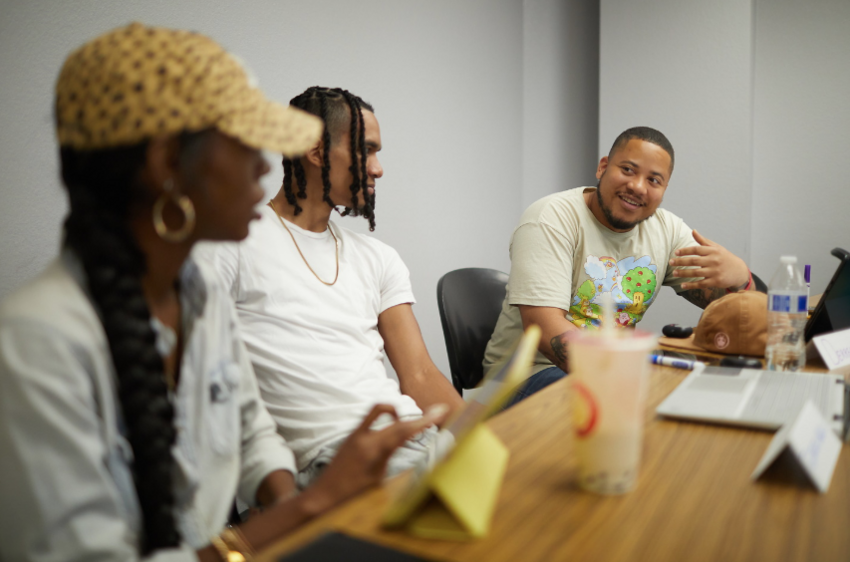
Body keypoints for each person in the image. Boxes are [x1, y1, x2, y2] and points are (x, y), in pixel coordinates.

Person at [0, 23, 447, 562]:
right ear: (168, 163)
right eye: (241, 145)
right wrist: (308, 508)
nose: (263, 167)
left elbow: (253, 430)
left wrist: (301, 518)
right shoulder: (35, 343)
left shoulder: (193, 295)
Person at [194, 86, 464, 488]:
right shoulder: (231, 246)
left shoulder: (378, 258)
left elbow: (420, 375)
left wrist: (491, 438)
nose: (378, 168)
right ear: (317, 152)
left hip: (412, 439)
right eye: (367, 150)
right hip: (333, 463)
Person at [484, 126, 755, 403]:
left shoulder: (668, 231)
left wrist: (741, 279)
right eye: (627, 170)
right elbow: (544, 327)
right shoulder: (551, 219)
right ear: (603, 167)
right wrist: (626, 379)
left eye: (653, 180)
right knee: (642, 408)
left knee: (698, 395)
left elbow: (745, 314)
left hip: (606, 370)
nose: (638, 186)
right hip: (525, 375)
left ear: (663, 190)